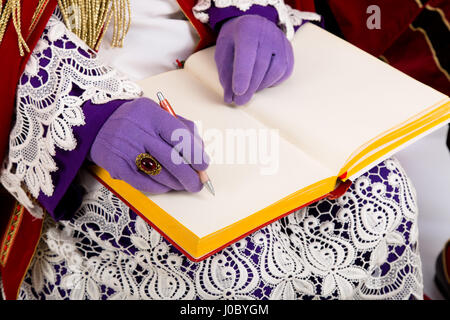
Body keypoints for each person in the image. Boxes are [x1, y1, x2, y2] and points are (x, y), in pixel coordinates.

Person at [0, 0, 423, 299]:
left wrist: (249, 10)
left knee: (383, 192)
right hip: (74, 86)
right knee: (232, 277)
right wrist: (86, 113)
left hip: (203, 65)